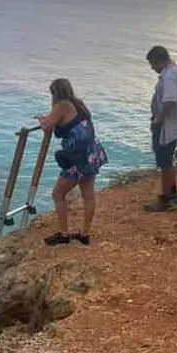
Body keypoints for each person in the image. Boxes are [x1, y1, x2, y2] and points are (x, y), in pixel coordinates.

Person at [39, 79, 108, 246]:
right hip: (91, 152)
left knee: (58, 194)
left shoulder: (62, 105)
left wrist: (42, 120)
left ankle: (63, 234)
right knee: (88, 194)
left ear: (55, 93)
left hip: (77, 156)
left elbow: (47, 126)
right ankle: (85, 234)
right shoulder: (78, 104)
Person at [145, 46, 177, 212]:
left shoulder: (170, 76)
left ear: (158, 61)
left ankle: (165, 198)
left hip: (166, 125)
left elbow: (170, 101)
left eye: (152, 64)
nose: (152, 68)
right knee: (168, 160)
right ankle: (172, 194)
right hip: (175, 123)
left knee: (164, 162)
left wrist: (159, 119)